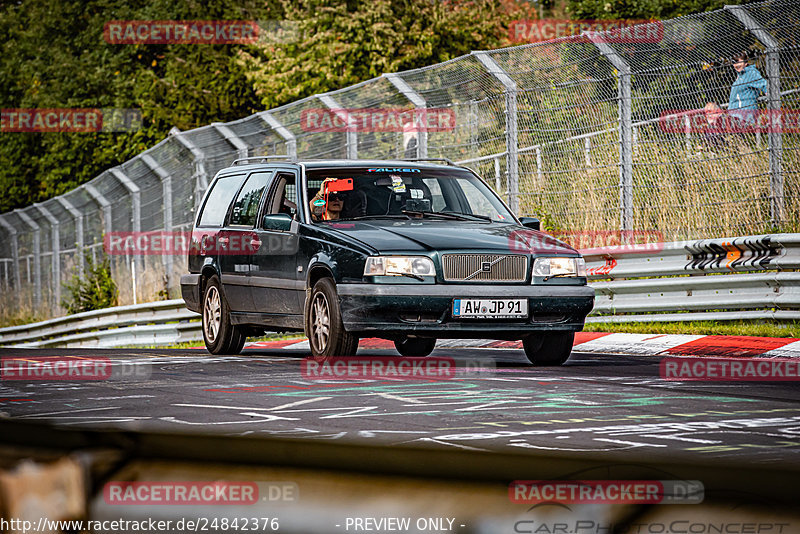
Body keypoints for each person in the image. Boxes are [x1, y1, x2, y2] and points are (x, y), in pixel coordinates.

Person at [728, 51, 767, 130]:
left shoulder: (750, 73)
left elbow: (764, 84)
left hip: (744, 117)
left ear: (745, 63)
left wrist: (769, 94)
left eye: (738, 62)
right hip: (735, 116)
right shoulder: (740, 76)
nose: (736, 65)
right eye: (734, 62)